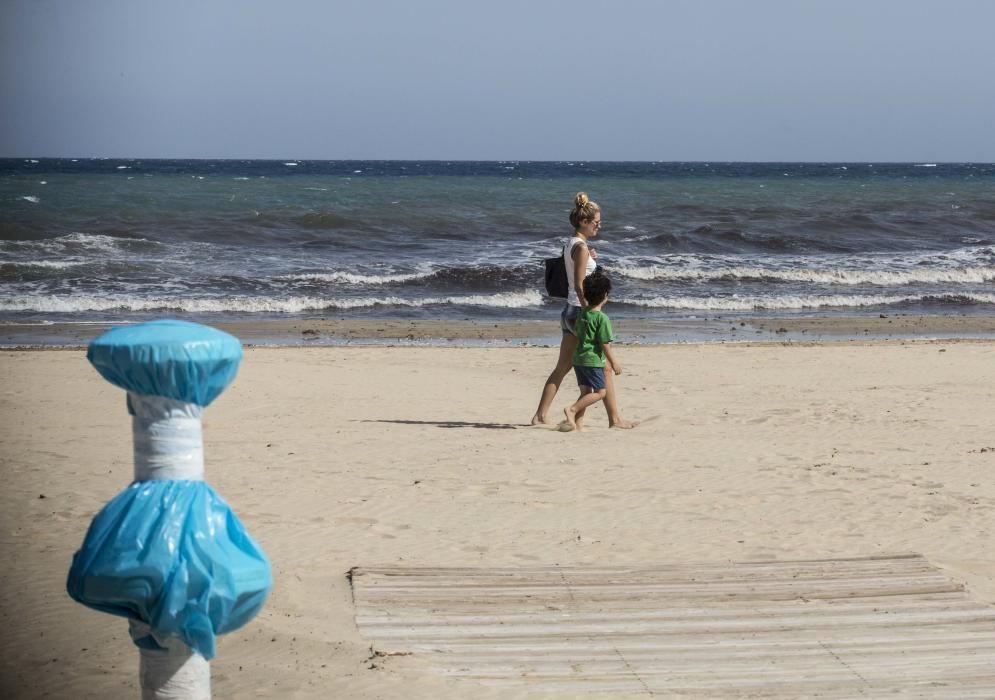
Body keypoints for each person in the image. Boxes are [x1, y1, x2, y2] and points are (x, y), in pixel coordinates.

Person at [530, 192, 636, 428]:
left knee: (563, 367)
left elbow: (576, 270)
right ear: (585, 222)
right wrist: (590, 311)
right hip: (579, 312)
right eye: (596, 222)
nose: (600, 225)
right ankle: (615, 419)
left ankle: (540, 415)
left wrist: (591, 258)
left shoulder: (573, 244)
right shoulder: (581, 248)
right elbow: (579, 284)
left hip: (569, 312)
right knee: (605, 366)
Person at [562, 272, 618, 432]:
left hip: (578, 358)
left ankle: (578, 424)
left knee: (586, 392)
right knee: (600, 392)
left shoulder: (583, 313)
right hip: (592, 360)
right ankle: (571, 409)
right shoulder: (602, 318)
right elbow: (605, 343)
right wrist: (614, 362)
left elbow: (578, 332)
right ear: (605, 296)